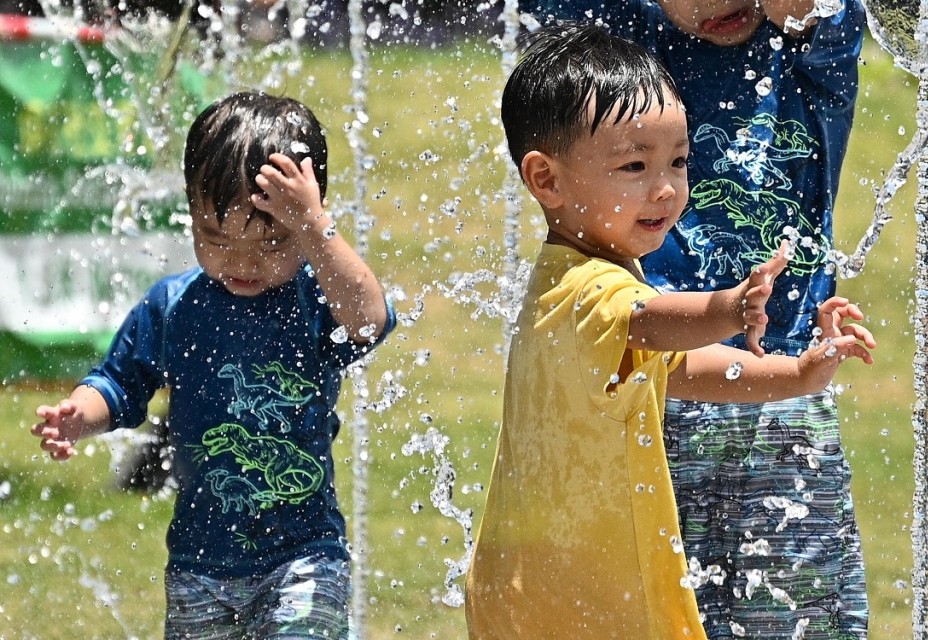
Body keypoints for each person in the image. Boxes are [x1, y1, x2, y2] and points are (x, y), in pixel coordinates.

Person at [464, 23, 875, 640]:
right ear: (545, 179)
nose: (666, 188)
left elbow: (683, 367)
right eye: (634, 165)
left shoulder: (569, 276)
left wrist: (796, 373)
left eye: (679, 161)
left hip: (556, 591)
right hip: (586, 603)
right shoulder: (589, 290)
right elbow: (652, 322)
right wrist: (730, 308)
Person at [30, 91, 396, 639]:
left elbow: (368, 321)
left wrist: (315, 225)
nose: (241, 262)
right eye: (215, 237)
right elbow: (120, 381)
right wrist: (82, 413)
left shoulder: (313, 301)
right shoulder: (174, 307)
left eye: (272, 241)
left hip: (305, 558)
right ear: (192, 210)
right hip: (199, 565)